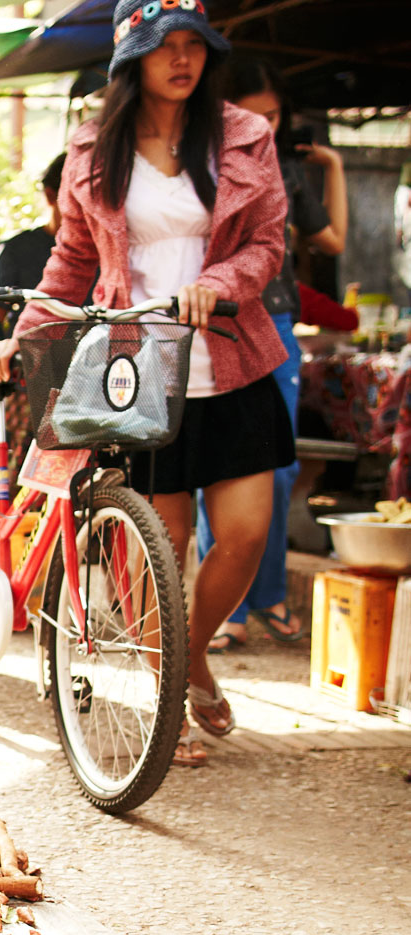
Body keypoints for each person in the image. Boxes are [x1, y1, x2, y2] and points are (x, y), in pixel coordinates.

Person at [0, 0, 290, 767]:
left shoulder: (243, 136)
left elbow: (268, 243)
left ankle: (188, 658)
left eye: (193, 45)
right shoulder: (94, 149)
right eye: (163, 48)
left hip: (230, 354)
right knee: (160, 544)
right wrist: (24, 334)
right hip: (135, 368)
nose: (180, 60)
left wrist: (221, 279)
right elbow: (70, 262)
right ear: (132, 58)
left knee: (246, 530)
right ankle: (169, 696)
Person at [197, 56, 349, 655]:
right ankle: (228, 611)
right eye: (252, 113)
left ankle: (268, 596)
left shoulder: (282, 165)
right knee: (221, 464)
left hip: (274, 320)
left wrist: (332, 164)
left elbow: (332, 238)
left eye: (274, 114)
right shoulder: (203, 165)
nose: (263, 124)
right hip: (213, 316)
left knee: (276, 467)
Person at [0, 154, 67, 327]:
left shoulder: (105, 250)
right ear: (50, 195)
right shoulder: (15, 249)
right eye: (73, 201)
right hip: (30, 348)